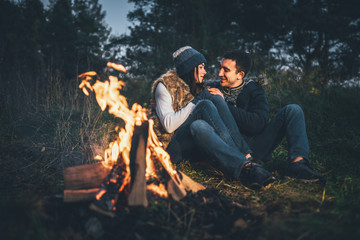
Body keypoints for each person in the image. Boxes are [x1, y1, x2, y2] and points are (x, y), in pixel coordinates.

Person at [150, 46, 275, 188]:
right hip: (169, 147)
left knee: (200, 124)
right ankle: (246, 157)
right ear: (191, 68)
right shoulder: (165, 86)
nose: (205, 71)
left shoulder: (195, 86)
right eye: (201, 67)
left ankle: (245, 165)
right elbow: (168, 125)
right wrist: (199, 100)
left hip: (189, 142)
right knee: (206, 102)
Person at [208, 50, 325, 182]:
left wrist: (223, 105)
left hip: (257, 144)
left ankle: (298, 165)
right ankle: (246, 166)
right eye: (220, 68)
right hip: (231, 146)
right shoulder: (213, 88)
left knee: (293, 110)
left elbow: (257, 124)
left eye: (226, 70)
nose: (219, 73)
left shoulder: (254, 89)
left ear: (240, 75)